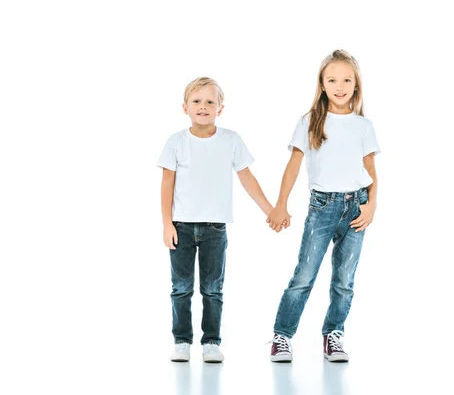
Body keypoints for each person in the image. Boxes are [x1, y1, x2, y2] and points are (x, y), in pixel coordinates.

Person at [267, 50, 380, 362]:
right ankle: (282, 335)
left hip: (356, 206)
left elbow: (371, 171)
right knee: (304, 274)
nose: (339, 86)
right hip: (322, 207)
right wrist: (280, 204)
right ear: (322, 84)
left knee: (344, 280)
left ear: (356, 85)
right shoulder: (310, 121)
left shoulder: (363, 125)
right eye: (332, 80)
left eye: (346, 80)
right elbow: (292, 167)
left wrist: (370, 206)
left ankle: (334, 334)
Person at [158, 77, 273, 363]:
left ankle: (211, 341)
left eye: (210, 101)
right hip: (181, 227)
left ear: (220, 108)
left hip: (214, 228)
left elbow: (247, 179)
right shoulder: (176, 142)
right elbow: (166, 185)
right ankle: (182, 341)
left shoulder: (231, 140)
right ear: (185, 107)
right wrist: (166, 223)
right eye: (196, 101)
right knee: (181, 288)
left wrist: (270, 210)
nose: (203, 107)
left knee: (212, 289)